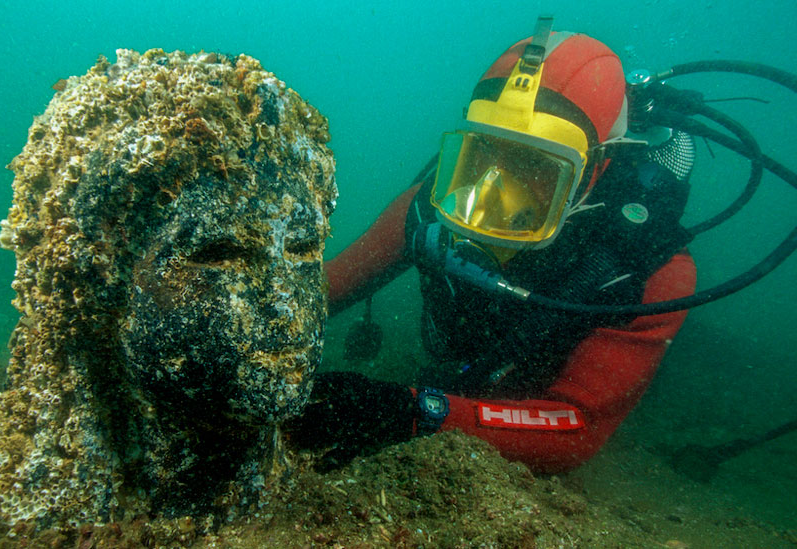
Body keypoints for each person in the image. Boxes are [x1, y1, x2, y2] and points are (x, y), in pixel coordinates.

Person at [288, 18, 698, 474]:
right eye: (482, 153)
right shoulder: (431, 205)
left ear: (595, 169)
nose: (488, 195)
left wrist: (411, 411)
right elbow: (321, 293)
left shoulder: (648, 270)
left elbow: (576, 429)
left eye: (534, 166)